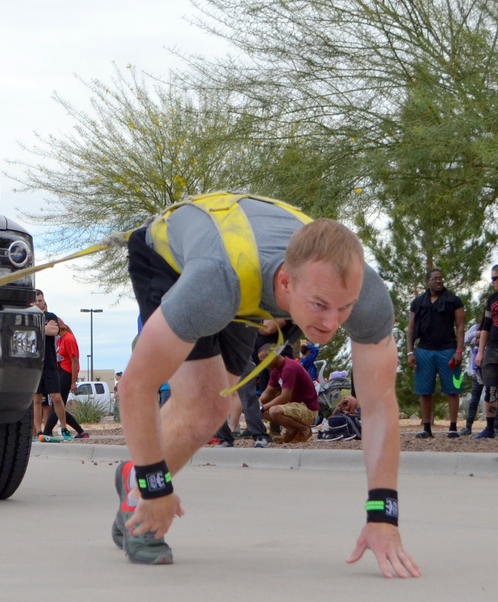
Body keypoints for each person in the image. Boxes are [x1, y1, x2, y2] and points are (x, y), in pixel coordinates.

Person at [113, 192, 419, 578]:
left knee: (212, 408)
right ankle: (142, 496)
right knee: (205, 407)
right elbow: (135, 386)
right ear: (287, 282)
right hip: (175, 259)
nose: (332, 324)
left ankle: (133, 474)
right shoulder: (213, 285)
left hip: (250, 280)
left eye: (345, 308)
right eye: (321, 305)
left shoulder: (367, 298)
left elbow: (378, 406)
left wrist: (383, 516)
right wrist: (158, 486)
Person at [406, 268, 466, 439]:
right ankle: (427, 428)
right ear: (428, 282)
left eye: (441, 278)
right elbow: (410, 329)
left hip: (448, 349)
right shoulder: (417, 302)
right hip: (424, 350)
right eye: (435, 278)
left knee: (453, 388)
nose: (439, 281)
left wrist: (459, 351)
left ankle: (453, 427)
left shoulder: (454, 300)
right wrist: (410, 352)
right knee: (424, 390)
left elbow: (460, 326)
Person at [257, 344, 321, 443]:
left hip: (308, 410)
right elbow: (269, 391)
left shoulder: (289, 368)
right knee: (260, 411)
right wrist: (260, 401)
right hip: (294, 406)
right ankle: (292, 431)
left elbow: (284, 397)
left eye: (264, 361)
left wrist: (263, 407)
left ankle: (304, 430)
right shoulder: (275, 370)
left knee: (273, 411)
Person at [31, 290, 71, 442]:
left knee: (56, 396)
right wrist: (43, 328)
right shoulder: (28, 317)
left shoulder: (50, 316)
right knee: (36, 399)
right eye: (35, 300)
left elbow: (54, 330)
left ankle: (64, 428)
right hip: (34, 364)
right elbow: (45, 330)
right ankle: (38, 433)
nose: (38, 303)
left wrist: (35, 328)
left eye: (40, 300)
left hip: (50, 363)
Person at [42, 318, 90, 438]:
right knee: (59, 405)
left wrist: (73, 381)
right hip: (60, 372)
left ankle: (47, 432)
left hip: (67, 374)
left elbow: (74, 361)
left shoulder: (69, 339)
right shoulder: (59, 341)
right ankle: (80, 431)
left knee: (57, 404)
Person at [474, 265, 498, 439]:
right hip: (492, 348)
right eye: (492, 279)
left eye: (496, 278)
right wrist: (481, 351)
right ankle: (489, 428)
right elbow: (485, 326)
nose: (494, 282)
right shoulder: (492, 299)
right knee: (490, 389)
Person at [460, 323, 483, 436]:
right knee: (474, 399)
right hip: (476, 371)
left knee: (492, 397)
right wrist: (477, 334)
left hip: (491, 368)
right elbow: (465, 340)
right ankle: (468, 426)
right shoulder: (476, 327)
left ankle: (494, 426)